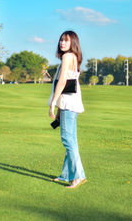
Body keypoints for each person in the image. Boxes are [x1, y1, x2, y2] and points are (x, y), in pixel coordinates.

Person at [48, 30, 86, 189]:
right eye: (61, 40)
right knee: (71, 140)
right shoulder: (72, 57)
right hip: (68, 104)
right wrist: (58, 110)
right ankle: (66, 174)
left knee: (68, 140)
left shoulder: (67, 56)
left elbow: (63, 81)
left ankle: (78, 176)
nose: (62, 43)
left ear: (73, 43)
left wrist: (53, 102)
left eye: (66, 40)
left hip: (69, 105)